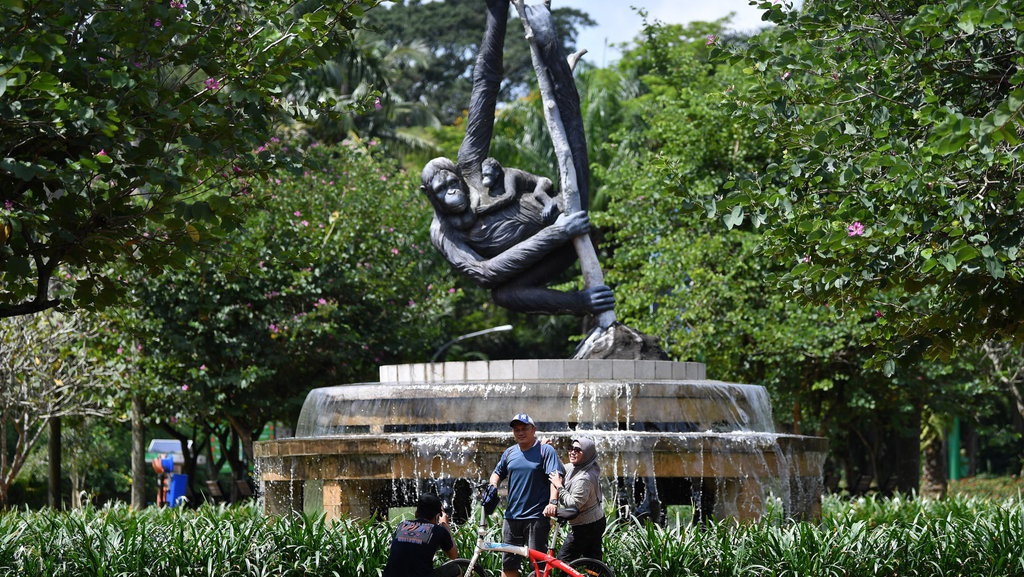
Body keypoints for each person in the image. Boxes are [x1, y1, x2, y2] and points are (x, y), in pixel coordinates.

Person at [488, 413, 564, 577]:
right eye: (517, 430)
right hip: (512, 518)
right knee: (508, 566)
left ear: (533, 430)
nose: (520, 432)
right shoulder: (509, 453)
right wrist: (493, 486)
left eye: (524, 428)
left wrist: (552, 502)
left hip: (536, 518)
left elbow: (555, 477)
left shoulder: (545, 450)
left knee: (539, 568)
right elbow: (497, 472)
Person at [547, 437, 606, 562]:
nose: (572, 452)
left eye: (578, 450)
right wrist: (551, 451)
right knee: (593, 565)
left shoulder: (585, 478)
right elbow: (560, 469)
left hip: (587, 526)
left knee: (563, 562)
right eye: (570, 448)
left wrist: (559, 486)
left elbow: (573, 504)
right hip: (593, 521)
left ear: (587, 453)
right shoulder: (577, 466)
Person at [381, 492, 458, 577]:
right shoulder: (438, 530)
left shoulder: (402, 525)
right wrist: (445, 525)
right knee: (455, 569)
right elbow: (453, 555)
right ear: (437, 517)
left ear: (416, 513)